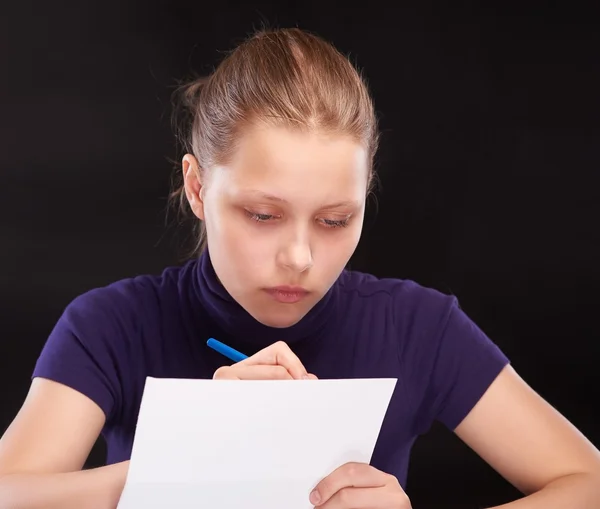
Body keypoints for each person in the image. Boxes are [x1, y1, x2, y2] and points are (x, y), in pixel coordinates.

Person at [0, 27, 598, 509]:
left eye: (336, 220)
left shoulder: (419, 325)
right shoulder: (112, 324)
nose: (300, 259)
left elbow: (588, 482)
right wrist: (181, 470)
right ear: (197, 187)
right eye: (262, 215)